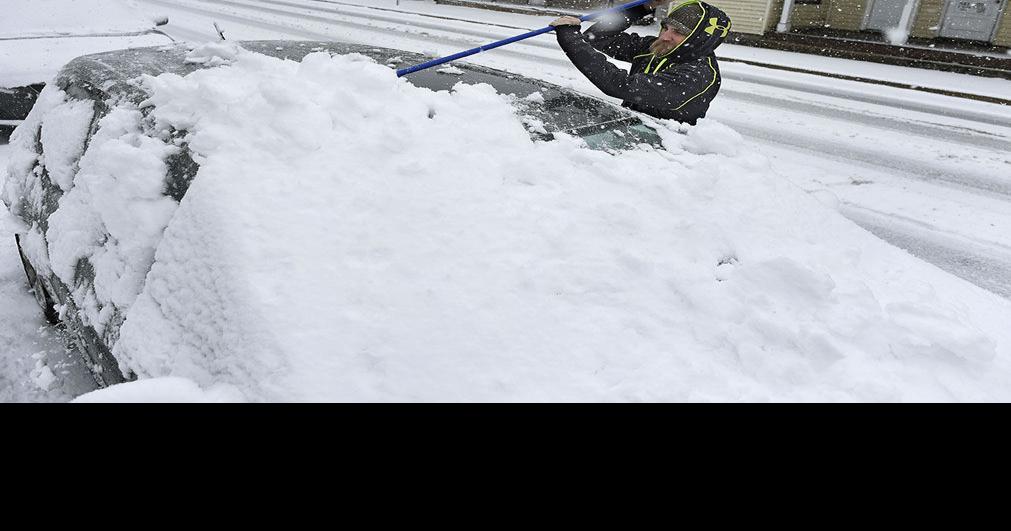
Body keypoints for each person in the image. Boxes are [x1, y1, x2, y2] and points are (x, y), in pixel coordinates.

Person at [550, 1, 731, 125]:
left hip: (663, 155)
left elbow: (619, 85)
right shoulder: (657, 48)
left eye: (678, 32)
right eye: (666, 27)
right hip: (631, 131)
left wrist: (571, 39)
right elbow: (598, 38)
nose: (665, 36)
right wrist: (643, 7)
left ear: (700, 39)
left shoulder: (698, 74)